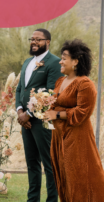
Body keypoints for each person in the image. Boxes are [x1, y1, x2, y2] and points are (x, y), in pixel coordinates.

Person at [44, 39, 104, 202]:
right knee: (64, 178)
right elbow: (53, 104)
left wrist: (56, 114)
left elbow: (82, 112)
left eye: (64, 58)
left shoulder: (85, 84)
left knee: (79, 178)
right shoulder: (60, 81)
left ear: (76, 61)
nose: (60, 61)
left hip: (77, 140)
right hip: (59, 138)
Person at [15, 28, 63, 202]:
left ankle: (52, 199)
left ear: (48, 42)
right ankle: (32, 199)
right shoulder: (27, 62)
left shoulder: (54, 63)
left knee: (49, 164)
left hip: (42, 122)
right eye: (32, 39)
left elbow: (51, 93)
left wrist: (29, 114)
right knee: (32, 164)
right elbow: (20, 88)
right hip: (25, 121)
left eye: (38, 39)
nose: (34, 42)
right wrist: (20, 111)